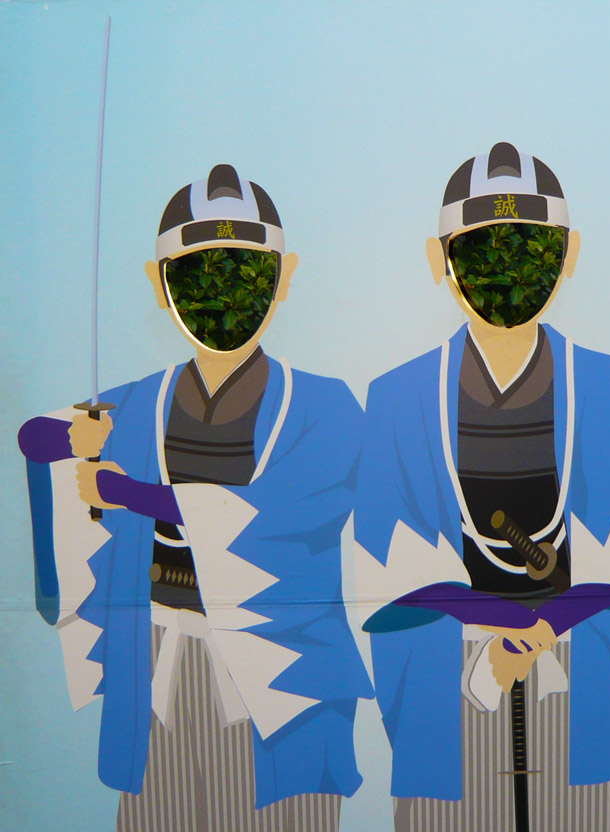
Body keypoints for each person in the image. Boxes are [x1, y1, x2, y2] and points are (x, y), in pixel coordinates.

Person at [17, 164, 373, 832]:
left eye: (246, 273)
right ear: (160, 285)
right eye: (197, 276)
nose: (223, 297)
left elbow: (274, 517)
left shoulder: (326, 408)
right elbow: (33, 437)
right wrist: (73, 436)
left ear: (284, 277)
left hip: (282, 679)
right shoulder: (140, 403)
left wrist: (125, 491)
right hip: (160, 668)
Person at [354, 142, 610, 831]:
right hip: (449, 672)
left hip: (575, 660)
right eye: (481, 252)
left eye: (531, 252)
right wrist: (493, 637)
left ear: (569, 255)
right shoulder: (398, 397)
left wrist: (544, 627)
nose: (506, 277)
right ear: (439, 260)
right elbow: (386, 568)